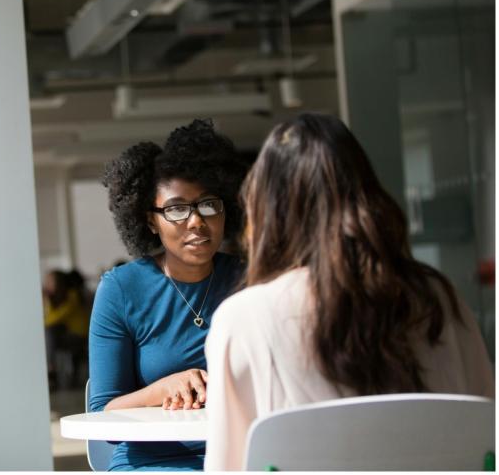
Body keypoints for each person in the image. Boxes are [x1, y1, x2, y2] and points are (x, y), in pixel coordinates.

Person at [203, 113, 494, 471]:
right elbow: (486, 437)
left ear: (268, 211)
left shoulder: (244, 319)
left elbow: (226, 466)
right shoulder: (438, 298)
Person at [89, 118, 247, 471]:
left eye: (208, 204)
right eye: (176, 209)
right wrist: (163, 389)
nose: (196, 221)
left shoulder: (248, 280)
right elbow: (103, 415)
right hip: (155, 462)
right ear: (149, 221)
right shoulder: (121, 289)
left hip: (241, 456)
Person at [43, 269, 90, 389]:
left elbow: (53, 319)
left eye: (49, 281)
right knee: (50, 333)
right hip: (68, 335)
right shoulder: (57, 299)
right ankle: (50, 369)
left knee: (49, 333)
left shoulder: (72, 297)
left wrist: (47, 302)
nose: (46, 285)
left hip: (79, 336)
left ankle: (50, 369)